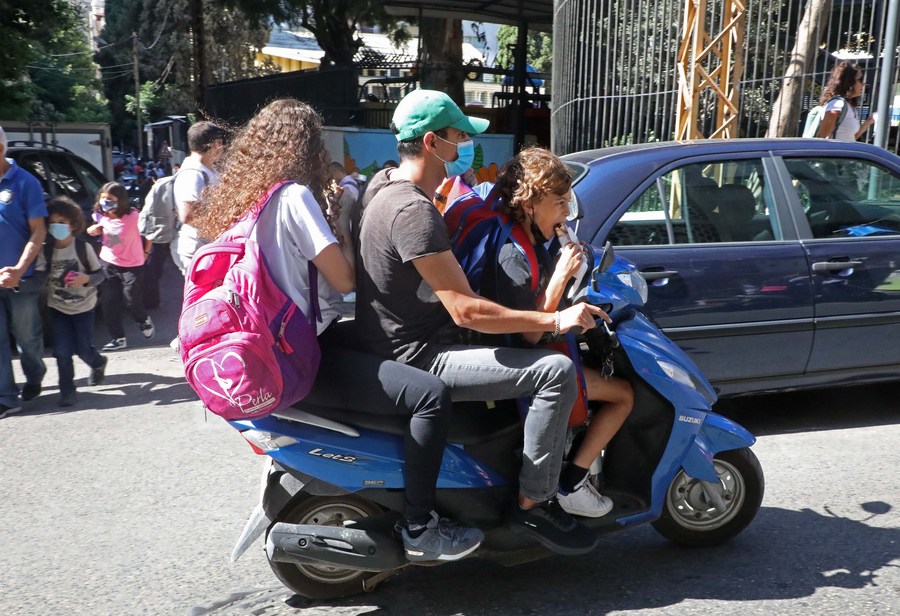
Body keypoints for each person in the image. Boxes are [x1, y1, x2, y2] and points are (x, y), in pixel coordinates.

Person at [192, 98, 483, 563]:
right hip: (301, 352)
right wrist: (343, 223)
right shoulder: (293, 197)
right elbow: (345, 279)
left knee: (382, 346)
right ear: (305, 147)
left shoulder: (249, 199)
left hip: (271, 345)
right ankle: (419, 526)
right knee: (428, 396)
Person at [356, 89, 608, 555]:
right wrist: (556, 318)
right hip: (421, 354)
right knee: (555, 372)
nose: (465, 145)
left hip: (400, 340)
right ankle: (535, 502)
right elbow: (466, 310)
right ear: (432, 143)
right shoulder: (414, 211)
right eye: (459, 136)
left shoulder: (384, 186)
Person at [484, 147, 634, 517]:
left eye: (568, 202)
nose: (566, 212)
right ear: (530, 204)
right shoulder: (512, 256)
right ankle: (570, 484)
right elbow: (530, 333)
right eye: (559, 203)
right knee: (623, 395)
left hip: (536, 349)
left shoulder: (528, 236)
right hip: (523, 361)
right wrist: (561, 276)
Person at [41, 196, 108, 407]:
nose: (57, 227)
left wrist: (85, 278)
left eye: (62, 222)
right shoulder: (46, 250)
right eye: (52, 222)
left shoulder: (82, 248)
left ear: (73, 224)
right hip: (57, 308)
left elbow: (100, 274)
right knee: (61, 352)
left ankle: (97, 362)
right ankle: (67, 391)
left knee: (83, 348)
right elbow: (40, 274)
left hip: (84, 307)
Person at [0, 126, 47, 417]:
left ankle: (35, 374)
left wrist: (19, 269)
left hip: (21, 279)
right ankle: (6, 396)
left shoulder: (25, 182)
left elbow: (38, 230)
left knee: (27, 338)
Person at [87, 182, 154, 350]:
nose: (105, 203)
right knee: (108, 302)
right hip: (108, 262)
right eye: (103, 198)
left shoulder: (134, 216)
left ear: (121, 200)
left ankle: (143, 320)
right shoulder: (99, 215)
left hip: (133, 264)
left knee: (131, 298)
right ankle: (118, 338)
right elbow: (94, 228)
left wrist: (146, 252)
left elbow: (150, 233)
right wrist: (95, 228)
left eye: (110, 199)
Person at [171, 121, 229, 276]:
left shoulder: (207, 170)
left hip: (205, 247)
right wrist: (222, 223)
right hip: (196, 250)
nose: (223, 148)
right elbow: (188, 215)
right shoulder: (193, 174)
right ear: (216, 144)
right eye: (221, 143)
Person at [816, 61, 876, 142]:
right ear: (849, 82)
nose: (863, 84)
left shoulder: (849, 106)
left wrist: (867, 123)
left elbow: (850, 138)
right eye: (860, 79)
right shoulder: (837, 104)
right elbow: (822, 138)